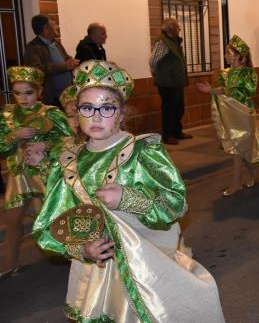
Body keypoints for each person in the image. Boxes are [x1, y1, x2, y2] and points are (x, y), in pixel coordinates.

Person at [31, 59, 225, 322]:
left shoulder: (143, 153)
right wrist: (82, 250)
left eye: (107, 108)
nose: (96, 116)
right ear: (76, 114)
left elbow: (175, 204)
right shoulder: (67, 162)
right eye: (87, 107)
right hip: (94, 275)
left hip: (144, 269)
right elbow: (49, 226)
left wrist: (128, 198)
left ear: (122, 114)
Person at [0, 66, 72, 279]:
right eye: (18, 93)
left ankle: (77, 262)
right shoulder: (7, 115)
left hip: (44, 175)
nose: (23, 98)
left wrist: (45, 146)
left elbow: (70, 141)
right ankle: (11, 263)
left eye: (28, 92)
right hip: (18, 178)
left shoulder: (51, 113)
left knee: (56, 220)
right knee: (12, 222)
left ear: (39, 91)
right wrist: (15, 136)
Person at [196, 35, 259, 196]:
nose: (226, 55)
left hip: (242, 114)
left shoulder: (247, 74)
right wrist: (211, 90)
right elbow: (220, 92)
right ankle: (253, 175)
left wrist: (219, 91)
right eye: (226, 52)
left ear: (240, 56)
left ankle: (236, 184)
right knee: (239, 149)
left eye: (229, 52)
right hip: (230, 115)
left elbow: (246, 92)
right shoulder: (225, 73)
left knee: (237, 148)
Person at [149, 18, 192, 145]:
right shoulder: (163, 42)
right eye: (177, 27)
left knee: (179, 108)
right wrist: (158, 74)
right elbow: (153, 61)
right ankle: (168, 135)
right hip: (167, 82)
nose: (179, 30)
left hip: (176, 81)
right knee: (169, 109)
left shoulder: (174, 41)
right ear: (170, 29)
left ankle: (177, 132)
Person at [24, 14, 79, 106]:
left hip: (66, 95)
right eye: (54, 24)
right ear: (46, 28)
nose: (57, 26)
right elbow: (36, 69)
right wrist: (65, 66)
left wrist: (72, 61)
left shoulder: (55, 43)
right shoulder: (33, 47)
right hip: (51, 98)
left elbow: (65, 58)